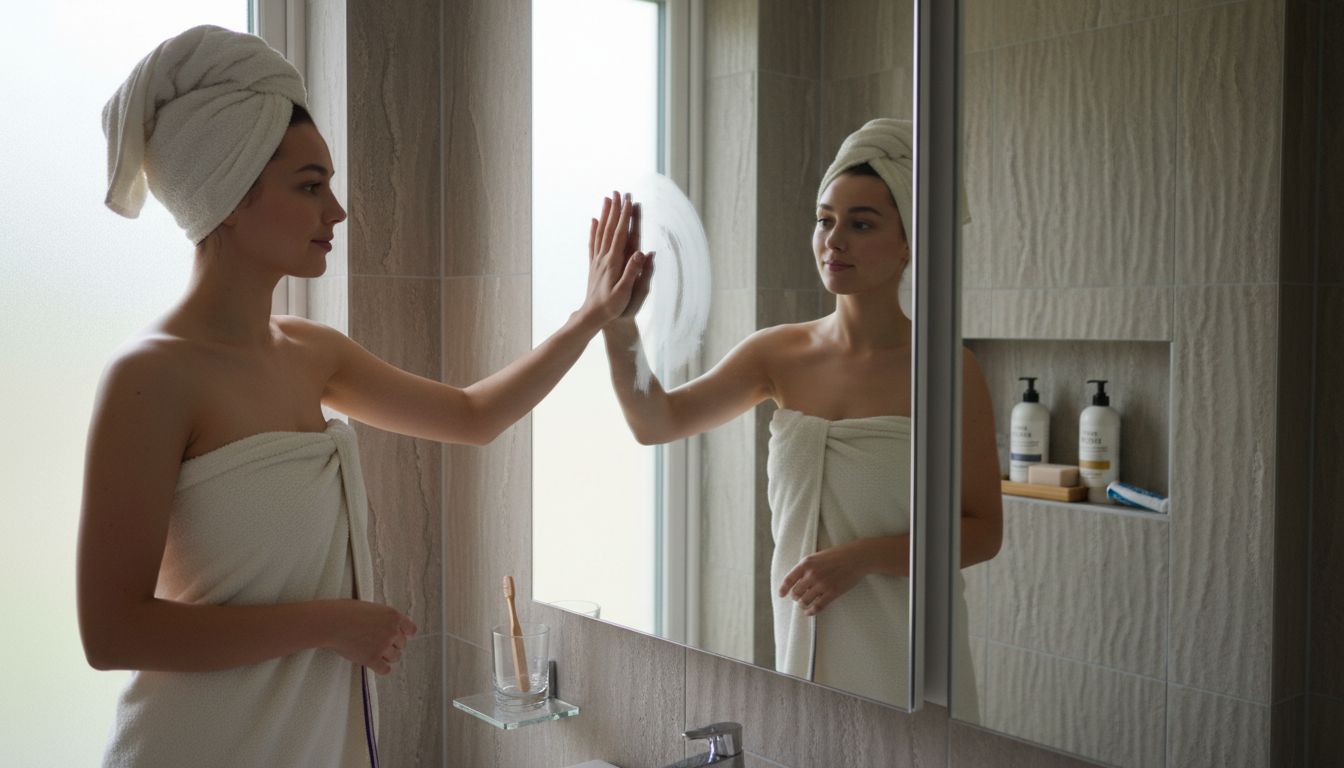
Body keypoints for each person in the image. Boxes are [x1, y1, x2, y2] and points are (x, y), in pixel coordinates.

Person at [78, 25, 649, 768]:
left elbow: (474, 418)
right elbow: (113, 633)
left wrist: (590, 316)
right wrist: (329, 624)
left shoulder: (312, 353)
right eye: (311, 186)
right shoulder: (150, 377)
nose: (337, 212)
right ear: (228, 192)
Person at [600, 118, 1002, 708]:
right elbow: (654, 422)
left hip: (913, 656)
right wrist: (619, 323)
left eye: (861, 224)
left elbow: (983, 532)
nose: (833, 240)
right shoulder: (776, 354)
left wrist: (864, 558)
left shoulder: (946, 369)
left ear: (909, 244)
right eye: (824, 219)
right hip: (808, 656)